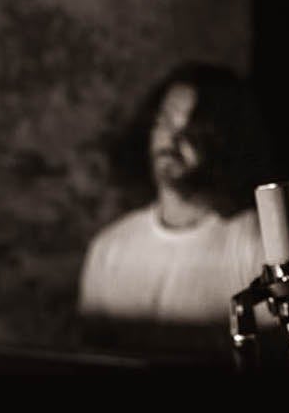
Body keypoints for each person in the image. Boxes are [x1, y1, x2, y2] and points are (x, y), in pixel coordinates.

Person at [77, 62, 273, 361]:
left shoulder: (256, 245)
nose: (173, 140)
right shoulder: (109, 250)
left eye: (192, 128)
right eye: (165, 122)